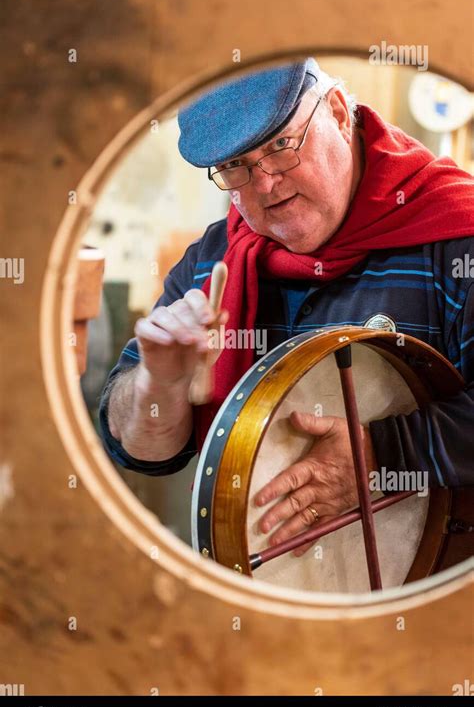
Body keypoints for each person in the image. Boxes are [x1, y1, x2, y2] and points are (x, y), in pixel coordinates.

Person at [99, 58, 474, 556]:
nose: (266, 184)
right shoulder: (211, 262)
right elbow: (139, 450)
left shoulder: (455, 241)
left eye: (281, 145)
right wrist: (159, 383)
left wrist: (384, 452)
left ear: (339, 113)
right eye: (235, 165)